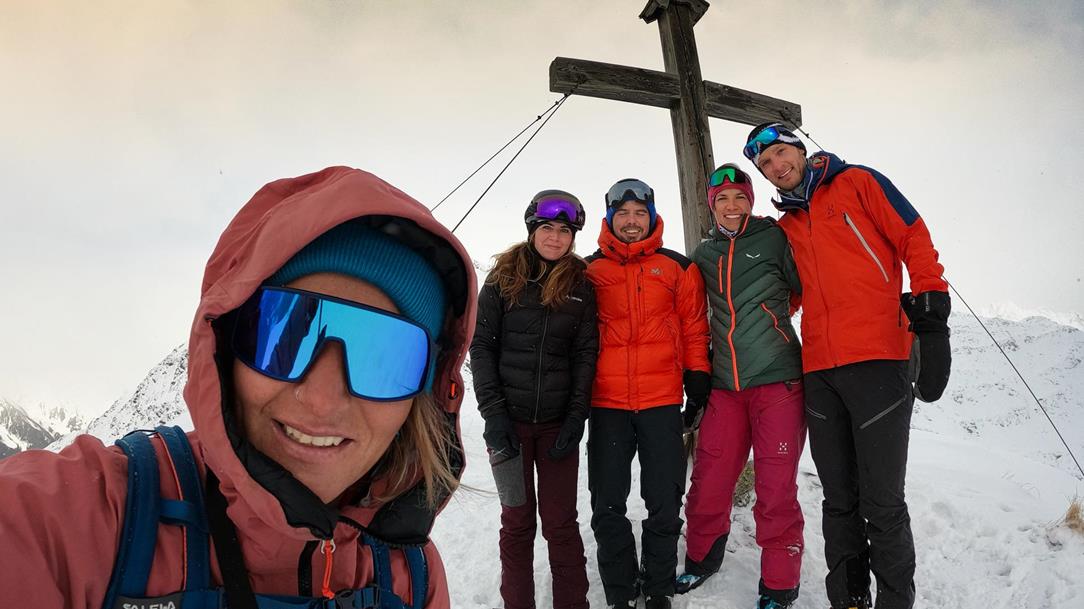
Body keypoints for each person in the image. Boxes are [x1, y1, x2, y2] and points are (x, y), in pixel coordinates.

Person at [0, 166, 477, 608]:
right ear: (226, 345)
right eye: (284, 335)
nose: (321, 399)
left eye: (385, 357)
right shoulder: (76, 523)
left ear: (423, 392)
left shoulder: (411, 577)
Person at [743, 123, 951, 609]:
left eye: (780, 153)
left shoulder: (858, 182)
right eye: (766, 164)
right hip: (819, 370)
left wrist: (931, 315)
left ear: (799, 149)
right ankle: (849, 600)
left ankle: (894, 601)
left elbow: (913, 236)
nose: (776, 166)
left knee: (882, 502)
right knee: (839, 501)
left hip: (879, 360)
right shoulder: (786, 228)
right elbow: (789, 294)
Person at [677, 163, 806, 609]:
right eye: (723, 200)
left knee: (776, 489)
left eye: (739, 198)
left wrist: (774, 320)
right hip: (725, 386)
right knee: (709, 479)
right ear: (712, 206)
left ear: (750, 202)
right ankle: (701, 558)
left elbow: (802, 286)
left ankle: (779, 585)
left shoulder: (774, 238)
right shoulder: (703, 254)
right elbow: (693, 311)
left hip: (778, 382)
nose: (731, 206)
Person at [585, 178, 712, 609]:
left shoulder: (677, 267)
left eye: (640, 213)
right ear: (609, 219)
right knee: (607, 504)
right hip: (607, 405)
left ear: (652, 216)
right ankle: (621, 590)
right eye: (623, 213)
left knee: (664, 500)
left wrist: (697, 380)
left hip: (661, 402)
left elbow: (694, 328)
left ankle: (658, 587)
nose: (632, 221)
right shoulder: (588, 271)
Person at [470, 189, 598, 609]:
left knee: (561, 525)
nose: (555, 237)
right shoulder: (502, 279)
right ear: (532, 230)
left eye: (564, 231)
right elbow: (481, 347)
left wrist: (576, 417)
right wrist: (493, 416)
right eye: (547, 228)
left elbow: (585, 354)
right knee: (517, 523)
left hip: (557, 427)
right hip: (508, 427)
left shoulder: (581, 285)